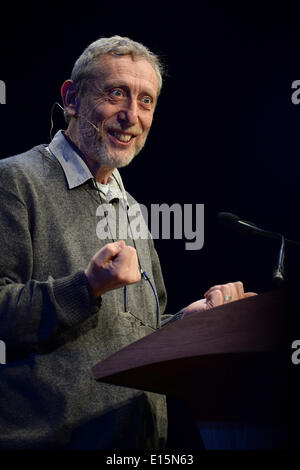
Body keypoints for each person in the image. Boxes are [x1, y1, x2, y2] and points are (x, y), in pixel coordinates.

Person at [0, 36, 255, 450]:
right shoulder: (15, 181)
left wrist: (191, 324)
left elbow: (132, 341)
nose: (130, 115)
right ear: (72, 98)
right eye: (116, 93)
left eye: (146, 100)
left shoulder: (132, 209)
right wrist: (86, 287)